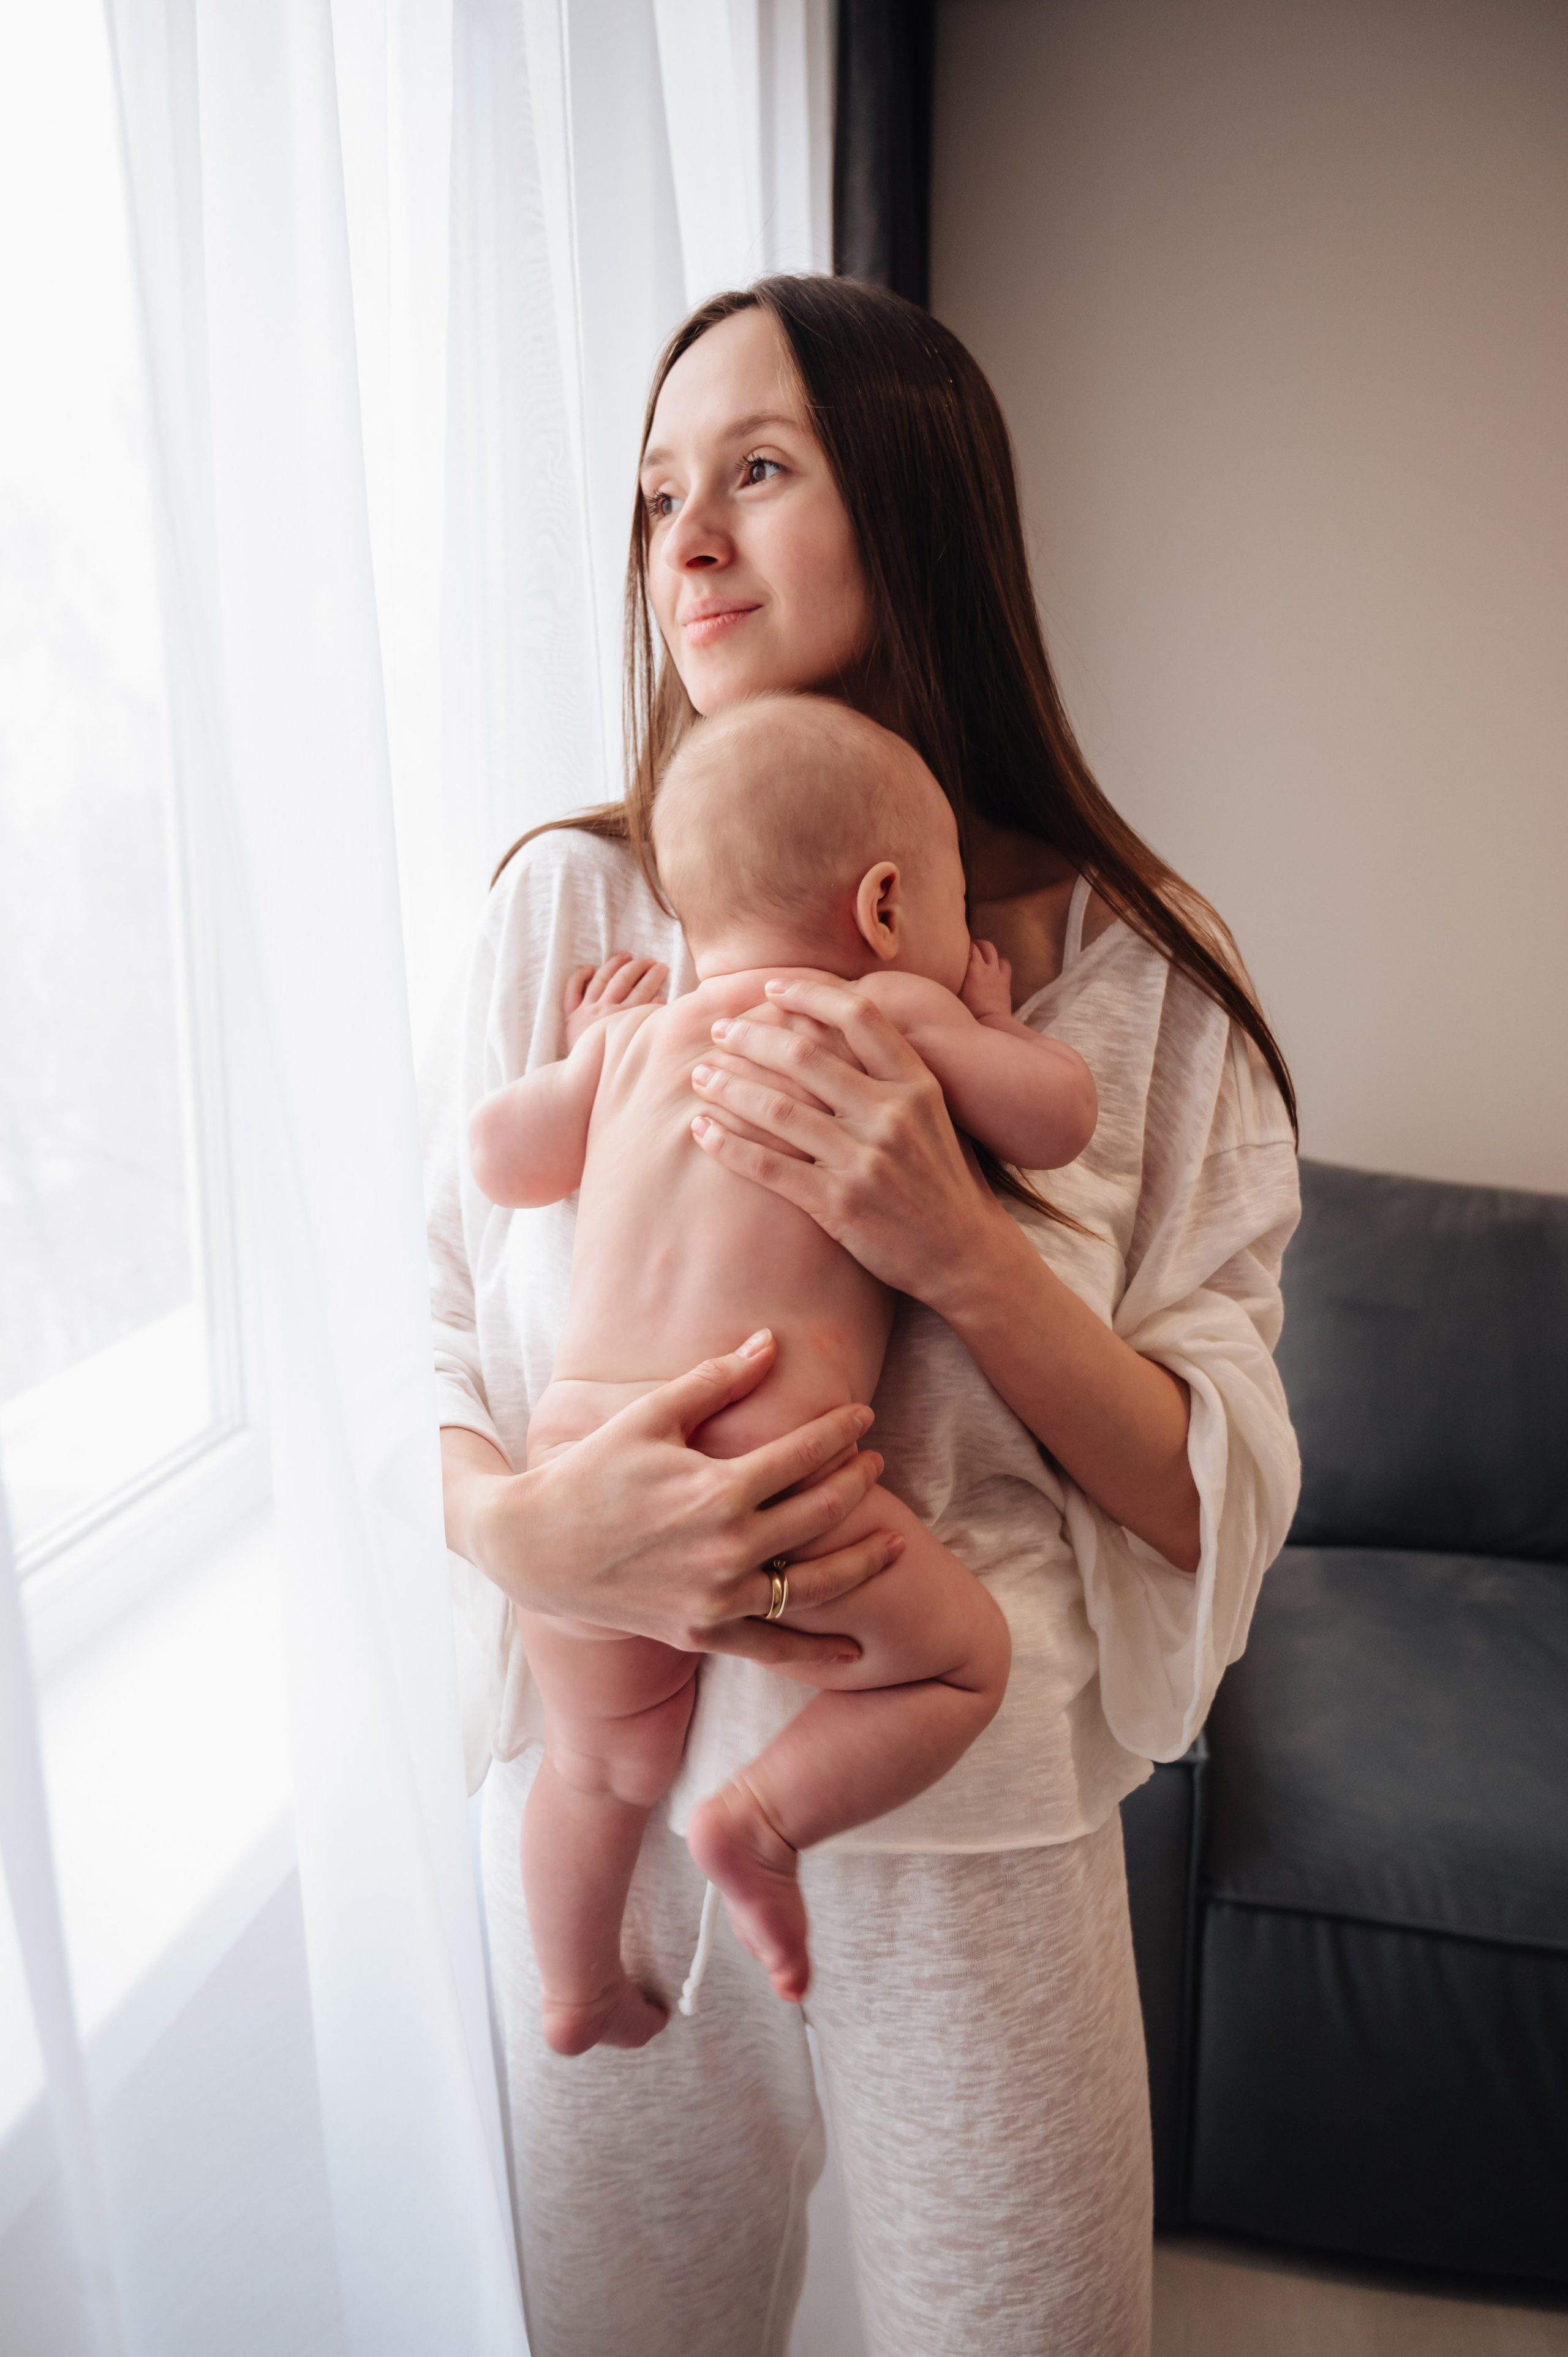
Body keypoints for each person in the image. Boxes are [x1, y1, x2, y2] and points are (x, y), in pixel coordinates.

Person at [431, 275, 1300, 2357]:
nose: (688, 544)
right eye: (659, 496)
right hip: (616, 1814)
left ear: (913, 509)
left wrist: (961, 1247)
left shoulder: (1141, 977)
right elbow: (430, 1339)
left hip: (968, 1837)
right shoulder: (572, 911)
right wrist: (525, 1525)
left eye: (755, 470)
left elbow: (1212, 1493)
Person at [467, 694, 1098, 2057]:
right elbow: (1059, 1120)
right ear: (886, 904)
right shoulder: (881, 1012)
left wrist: (576, 1058)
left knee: (597, 1760)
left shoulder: (637, 1044)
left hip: (585, 1470)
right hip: (775, 1478)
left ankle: (575, 1988)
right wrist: (991, 1024)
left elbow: (500, 1163)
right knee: (963, 1664)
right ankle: (757, 1821)